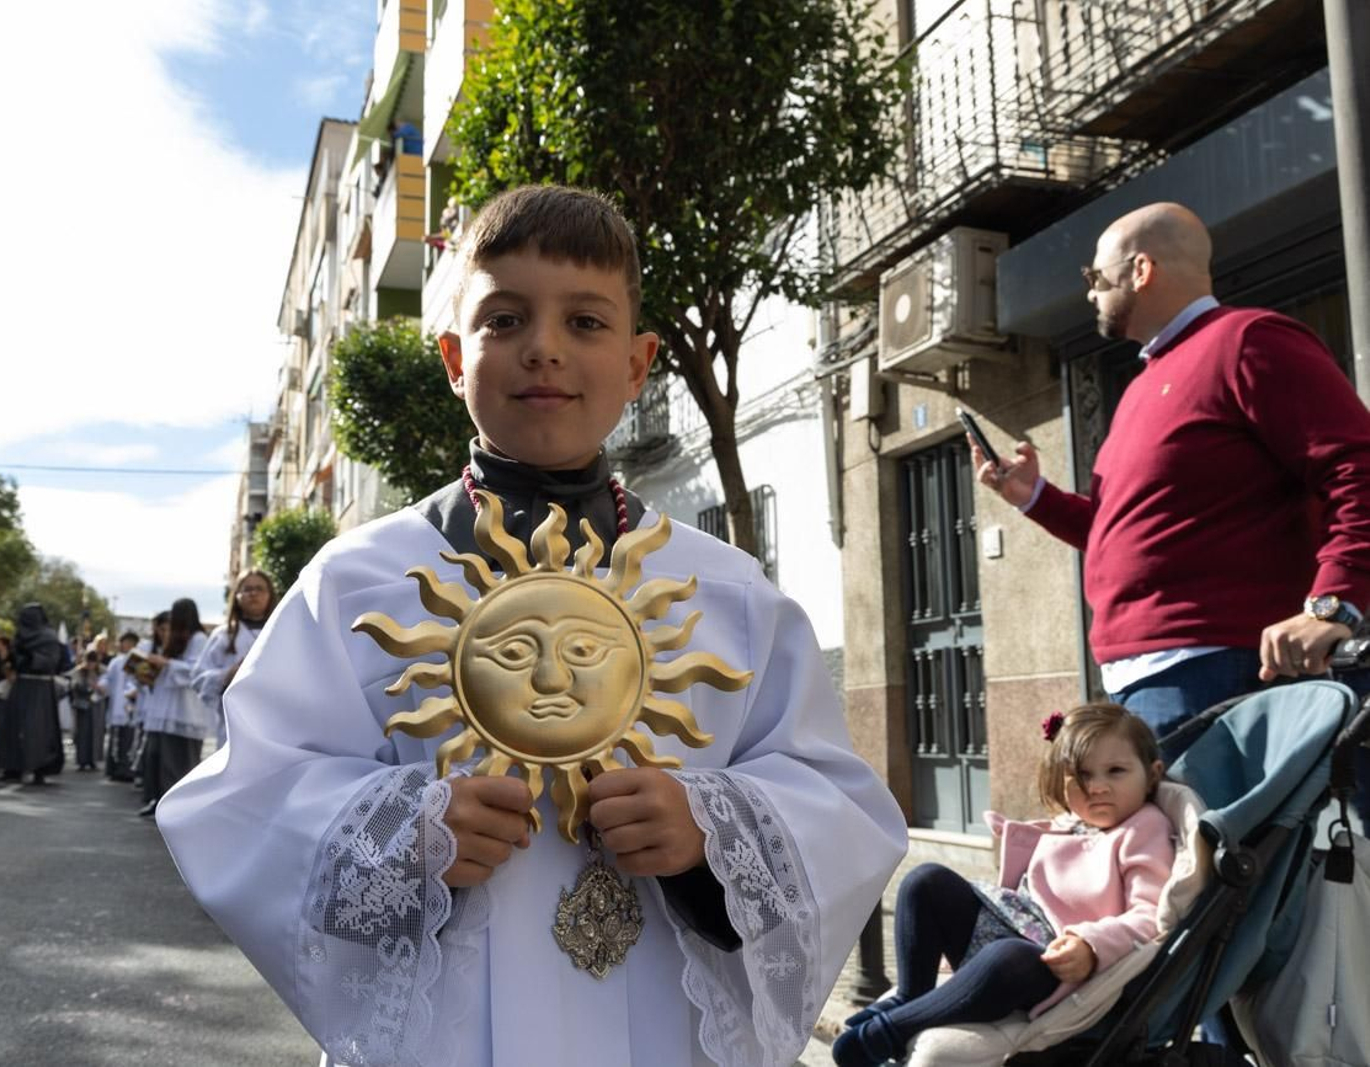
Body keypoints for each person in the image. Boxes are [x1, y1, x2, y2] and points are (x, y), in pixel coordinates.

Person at [156, 185, 907, 1067]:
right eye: (504, 319)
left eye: (586, 323)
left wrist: (711, 830)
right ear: (452, 357)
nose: (543, 348)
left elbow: (845, 806)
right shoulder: (355, 583)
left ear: (637, 363)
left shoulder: (732, 594)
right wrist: (410, 831)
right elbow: (242, 800)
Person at [973, 202, 1370, 763]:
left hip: (1223, 672)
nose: (1089, 293)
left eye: (1094, 277)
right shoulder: (1142, 384)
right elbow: (1127, 533)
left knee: (1224, 850)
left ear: (1141, 270)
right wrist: (1033, 497)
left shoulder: (1248, 341)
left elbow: (1356, 466)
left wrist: (1332, 607)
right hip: (1146, 680)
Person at [836, 704, 1173, 1066]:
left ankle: (891, 1030)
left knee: (1007, 958)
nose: (1097, 787)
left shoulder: (1144, 827)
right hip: (1013, 926)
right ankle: (910, 994)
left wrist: (1091, 945)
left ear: (1152, 775)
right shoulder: (1074, 822)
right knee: (925, 880)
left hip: (1056, 963)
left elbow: (1151, 917)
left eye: (1116, 771)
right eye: (1082, 775)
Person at [136, 599, 207, 817]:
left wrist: (166, 664)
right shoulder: (173, 640)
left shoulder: (199, 638)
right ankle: (157, 799)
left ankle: (176, 808)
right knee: (156, 757)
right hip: (162, 708)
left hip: (184, 711)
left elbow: (197, 671)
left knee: (178, 761)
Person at [191, 569, 276, 749]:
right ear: (236, 595)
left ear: (270, 595)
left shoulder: (282, 632)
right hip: (233, 728)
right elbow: (198, 678)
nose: (253, 593)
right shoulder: (223, 635)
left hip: (275, 723)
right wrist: (227, 675)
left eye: (260, 589)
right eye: (247, 589)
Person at [0, 603, 69, 785]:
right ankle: (12, 767)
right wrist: (11, 656)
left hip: (40, 689)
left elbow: (51, 662)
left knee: (39, 730)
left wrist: (31, 657)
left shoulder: (49, 637)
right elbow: (15, 659)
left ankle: (40, 767)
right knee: (12, 727)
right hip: (21, 684)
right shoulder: (20, 635)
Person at [102, 631, 140, 782]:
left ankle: (127, 770)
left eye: (130, 642)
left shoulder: (137, 660)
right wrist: (102, 685)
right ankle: (114, 769)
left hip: (130, 704)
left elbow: (135, 680)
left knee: (129, 739)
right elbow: (107, 678)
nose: (127, 645)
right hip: (117, 703)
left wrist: (132, 693)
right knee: (116, 739)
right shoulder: (116, 661)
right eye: (125, 642)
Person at [68, 651, 103, 770]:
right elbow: (73, 685)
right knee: (82, 734)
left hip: (96, 705)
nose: (91, 665)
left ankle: (93, 760)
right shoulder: (79, 671)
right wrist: (86, 687)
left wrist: (97, 687)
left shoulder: (101, 671)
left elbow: (105, 687)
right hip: (82, 705)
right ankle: (82, 760)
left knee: (95, 733)